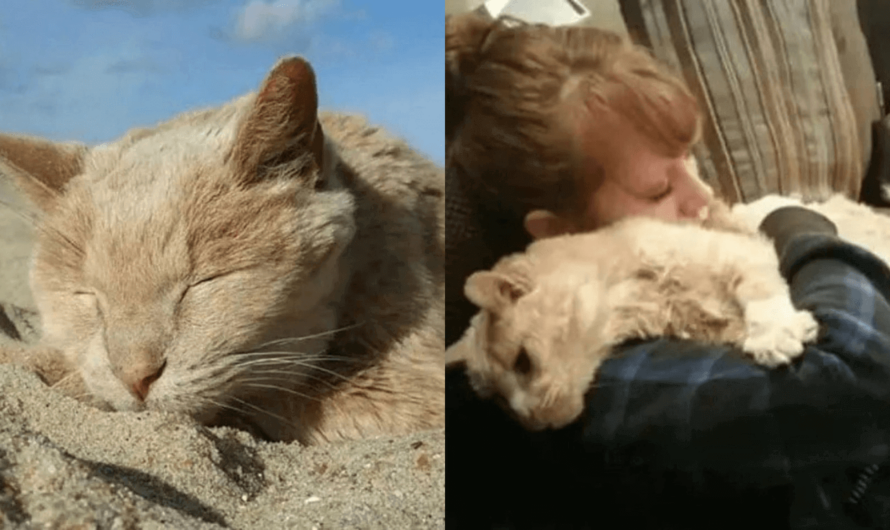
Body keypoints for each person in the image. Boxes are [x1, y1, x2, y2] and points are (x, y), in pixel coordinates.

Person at [446, 11, 890, 529]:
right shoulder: (602, 389)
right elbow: (864, 373)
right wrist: (794, 223)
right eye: (658, 190)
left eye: (690, 159)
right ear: (560, 232)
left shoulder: (672, 262)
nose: (700, 197)